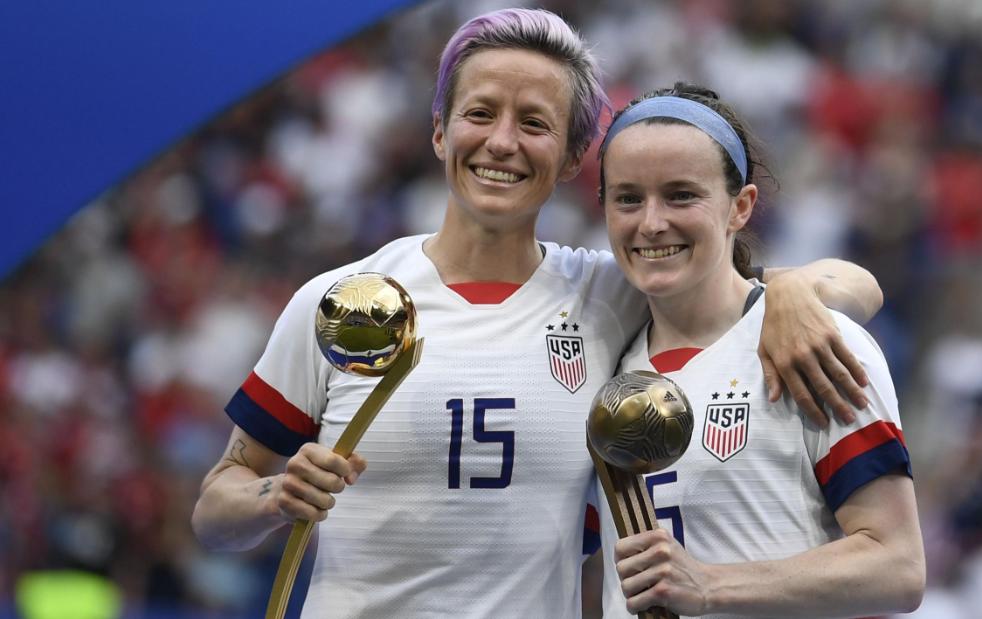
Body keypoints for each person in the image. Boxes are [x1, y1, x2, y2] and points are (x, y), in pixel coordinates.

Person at [191, 10, 883, 617]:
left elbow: (838, 285)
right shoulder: (342, 300)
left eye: (534, 123)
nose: (501, 143)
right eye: (480, 113)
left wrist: (791, 290)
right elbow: (216, 505)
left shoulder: (611, 294)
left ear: (574, 156)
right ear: (439, 131)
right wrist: (276, 494)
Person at [592, 82, 925, 618]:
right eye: (628, 197)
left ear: (740, 207)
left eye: (681, 195)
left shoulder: (814, 342)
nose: (651, 223)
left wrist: (710, 585)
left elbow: (897, 566)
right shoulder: (599, 361)